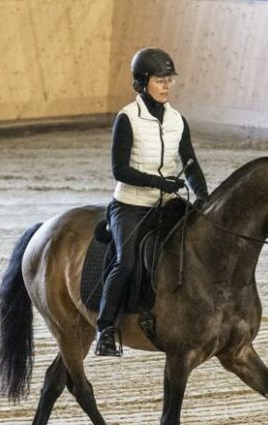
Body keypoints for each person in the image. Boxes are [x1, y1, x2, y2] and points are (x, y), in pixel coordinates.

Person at [94, 48, 209, 357]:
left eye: (169, 80)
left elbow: (190, 164)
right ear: (142, 83)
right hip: (130, 205)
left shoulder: (177, 120)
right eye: (160, 80)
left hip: (168, 203)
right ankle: (105, 328)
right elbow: (120, 170)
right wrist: (161, 183)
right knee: (127, 261)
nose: (167, 86)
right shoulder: (127, 118)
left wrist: (204, 196)